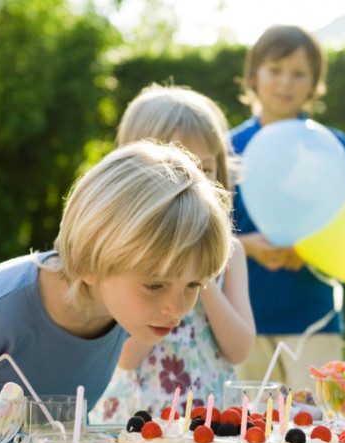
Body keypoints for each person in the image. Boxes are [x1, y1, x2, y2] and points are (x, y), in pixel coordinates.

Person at [0, 140, 234, 422]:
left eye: (194, 286)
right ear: (86, 261)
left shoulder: (127, 311)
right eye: (155, 285)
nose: (177, 308)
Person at [89, 84, 255, 423]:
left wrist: (200, 276)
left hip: (211, 417)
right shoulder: (126, 254)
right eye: (175, 168)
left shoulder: (231, 253)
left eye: (205, 169)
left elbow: (239, 349)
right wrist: (171, 281)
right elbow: (125, 358)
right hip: (142, 414)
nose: (195, 184)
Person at [230, 25, 345, 394]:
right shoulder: (226, 147)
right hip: (244, 316)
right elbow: (206, 226)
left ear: (314, 84)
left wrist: (306, 247)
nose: (285, 82)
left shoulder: (332, 147)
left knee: (318, 425)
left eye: (299, 73)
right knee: (247, 428)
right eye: (275, 69)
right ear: (254, 75)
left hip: (313, 318)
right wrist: (248, 246)